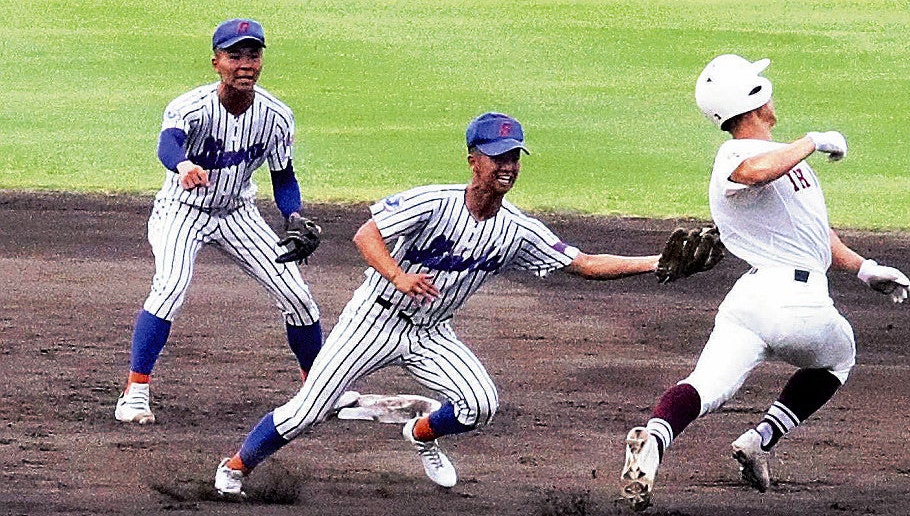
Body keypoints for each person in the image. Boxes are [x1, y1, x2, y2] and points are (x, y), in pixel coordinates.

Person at [214, 111, 706, 496]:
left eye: (514, 156)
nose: (507, 166)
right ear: (474, 160)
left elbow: (580, 262)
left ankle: (422, 432)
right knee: (307, 412)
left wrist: (655, 262)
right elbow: (367, 235)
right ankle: (235, 467)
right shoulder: (433, 201)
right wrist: (399, 276)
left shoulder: (518, 228)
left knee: (480, 405)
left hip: (431, 333)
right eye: (497, 157)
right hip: (373, 317)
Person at [620, 54, 910, 511]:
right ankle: (762, 438)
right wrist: (812, 140)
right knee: (840, 357)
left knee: (705, 385)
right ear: (754, 99)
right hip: (796, 304)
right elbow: (751, 173)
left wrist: (863, 267)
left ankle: (654, 440)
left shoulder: (780, 160)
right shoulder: (737, 154)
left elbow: (814, 235)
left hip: (750, 302)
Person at [115, 19, 324, 425]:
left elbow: (284, 177)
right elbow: (167, 143)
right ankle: (135, 393)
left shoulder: (277, 115)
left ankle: (316, 391)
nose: (245, 64)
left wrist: (293, 215)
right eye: (235, 56)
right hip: (182, 210)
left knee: (299, 299)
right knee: (170, 287)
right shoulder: (189, 106)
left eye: (253, 55)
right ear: (216, 63)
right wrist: (183, 164)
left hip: (237, 213)